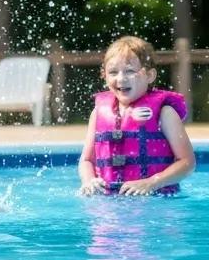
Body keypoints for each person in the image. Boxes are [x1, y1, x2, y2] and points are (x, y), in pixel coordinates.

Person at [78, 35, 194, 195]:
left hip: (155, 201)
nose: (121, 78)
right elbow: (86, 161)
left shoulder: (165, 113)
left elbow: (187, 162)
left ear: (149, 76)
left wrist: (151, 183)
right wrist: (89, 181)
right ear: (104, 75)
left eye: (130, 71)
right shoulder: (98, 113)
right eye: (113, 72)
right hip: (108, 201)